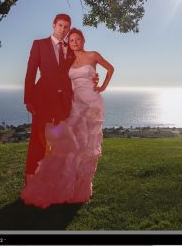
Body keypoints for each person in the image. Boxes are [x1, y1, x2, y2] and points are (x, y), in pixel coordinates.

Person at [21, 27, 114, 207]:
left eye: (77, 39)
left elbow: (110, 68)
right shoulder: (68, 61)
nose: (75, 42)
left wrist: (101, 86)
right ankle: (69, 185)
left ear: (83, 40)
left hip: (92, 103)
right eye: (71, 40)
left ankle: (82, 189)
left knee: (87, 145)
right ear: (68, 44)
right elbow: (60, 80)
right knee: (73, 145)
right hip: (75, 104)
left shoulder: (93, 55)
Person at [22, 13, 76, 186]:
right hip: (42, 98)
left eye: (66, 27)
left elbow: (77, 70)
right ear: (53, 25)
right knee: (38, 139)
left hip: (63, 101)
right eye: (60, 25)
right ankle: (31, 178)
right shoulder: (39, 44)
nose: (63, 30)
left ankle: (57, 178)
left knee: (61, 140)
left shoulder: (71, 48)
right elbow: (30, 73)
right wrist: (28, 99)